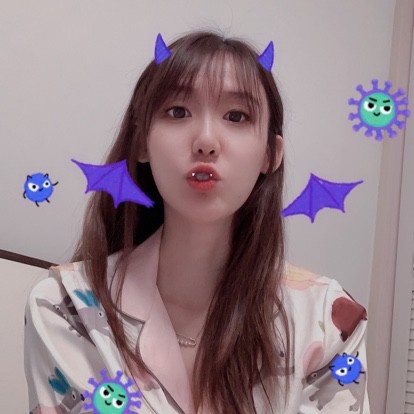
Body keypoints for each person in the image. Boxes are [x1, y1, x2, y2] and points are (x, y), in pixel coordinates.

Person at [24, 30, 370, 414]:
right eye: (178, 112)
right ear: (141, 142)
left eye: (236, 116)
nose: (206, 140)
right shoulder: (67, 306)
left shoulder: (327, 320)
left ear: (270, 155)